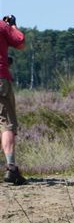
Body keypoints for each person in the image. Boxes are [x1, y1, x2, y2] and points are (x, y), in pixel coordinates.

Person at [1, 15, 26, 185]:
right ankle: (11, 168)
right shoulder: (2, 26)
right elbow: (20, 42)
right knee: (6, 123)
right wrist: (13, 26)